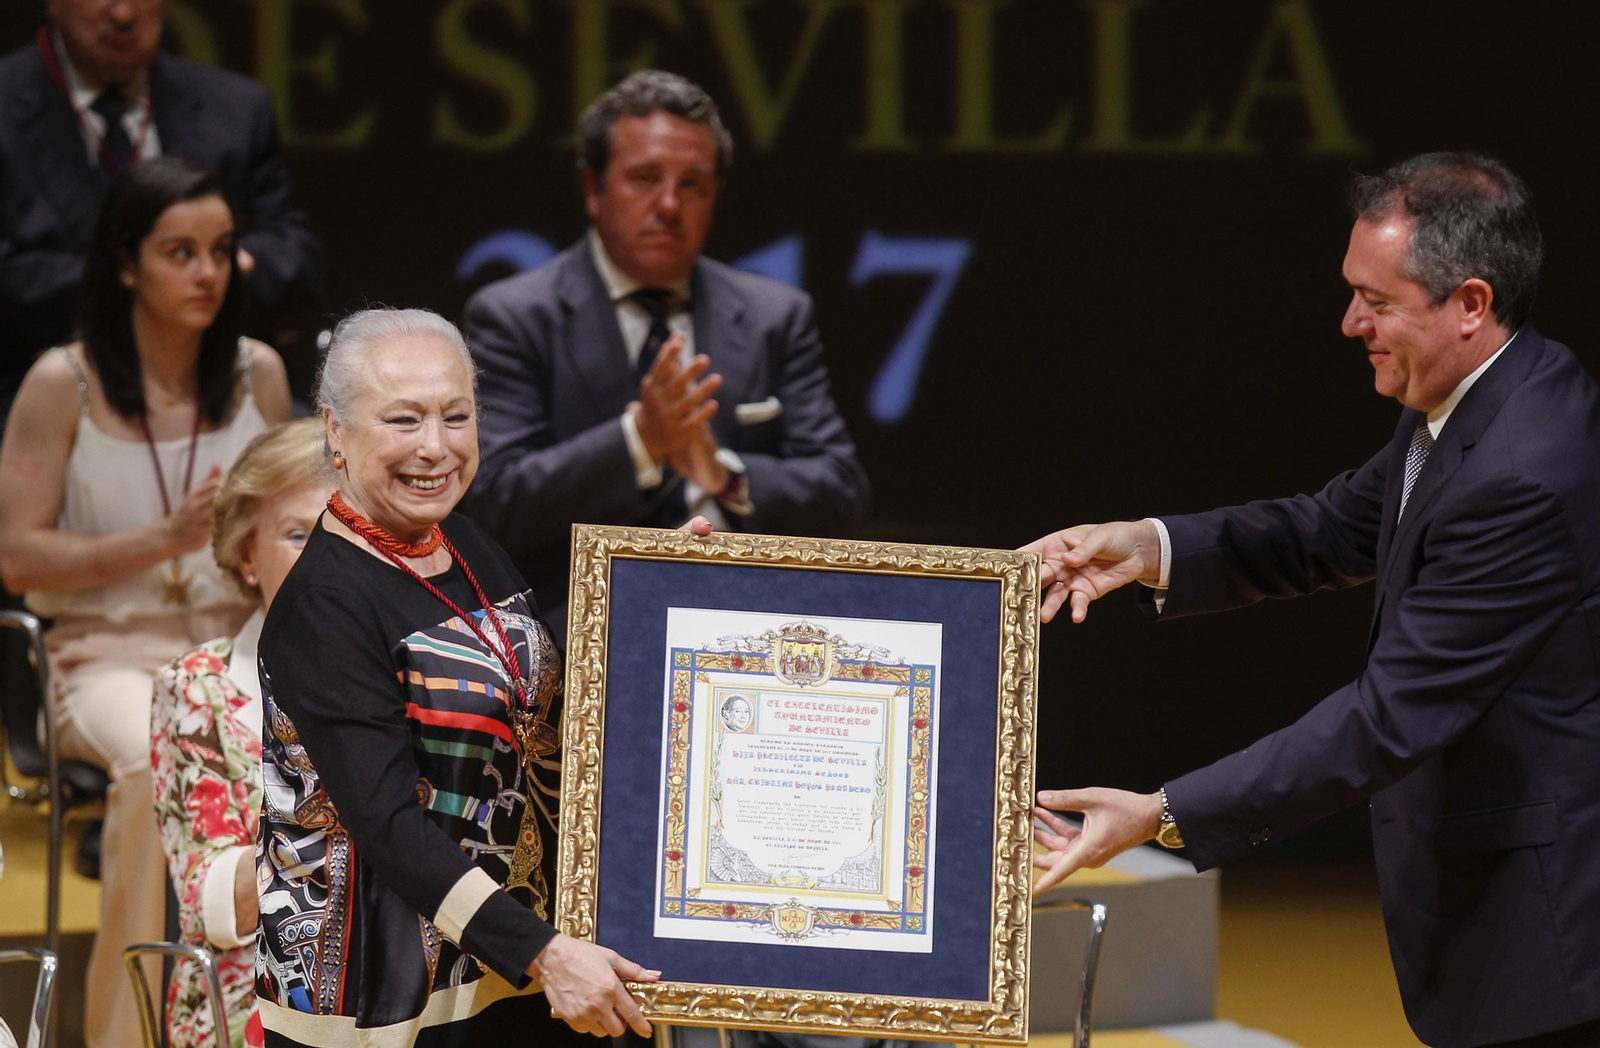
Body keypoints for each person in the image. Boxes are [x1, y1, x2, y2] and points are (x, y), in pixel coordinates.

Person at [1025, 153, 1600, 1048]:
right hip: (1498, 927)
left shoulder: (1524, 471)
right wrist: (1144, 548)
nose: (1349, 323)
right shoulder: (1470, 399)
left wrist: (1161, 814)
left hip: (1552, 946)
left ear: (1472, 305)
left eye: (1377, 301)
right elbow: (1327, 529)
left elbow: (1387, 719)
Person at [256, 307, 700, 1045]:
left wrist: (656, 601)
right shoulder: (324, 605)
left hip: (510, 960)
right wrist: (543, 953)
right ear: (336, 430)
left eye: (455, 417)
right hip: (393, 997)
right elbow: (390, 827)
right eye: (402, 420)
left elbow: (527, 692)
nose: (434, 448)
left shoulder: (459, 537)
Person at [0, 155, 292, 1047]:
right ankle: (128, 1034)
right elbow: (16, 557)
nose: (207, 272)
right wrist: (165, 537)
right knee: (150, 758)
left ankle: (269, 1021)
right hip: (103, 656)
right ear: (126, 263)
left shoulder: (259, 373)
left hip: (242, 649)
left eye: (220, 250)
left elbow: (299, 530)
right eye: (180, 252)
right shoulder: (65, 382)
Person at [460, 69, 869, 641]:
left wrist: (725, 476)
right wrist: (640, 441)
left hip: (749, 624)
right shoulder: (515, 316)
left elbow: (842, 493)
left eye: (693, 184)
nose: (670, 204)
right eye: (645, 178)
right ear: (593, 189)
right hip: (576, 627)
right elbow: (493, 503)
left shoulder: (776, 315)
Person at [0, 0, 327, 421]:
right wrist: (150, 278)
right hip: (30, 379)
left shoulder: (237, 108)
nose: (122, 14)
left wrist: (222, 262)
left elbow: (297, 256)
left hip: (208, 381)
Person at [151, 417, 331, 1048]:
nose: (325, 561)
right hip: (245, 993)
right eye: (296, 535)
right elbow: (211, 904)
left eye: (346, 535)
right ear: (246, 556)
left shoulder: (427, 673)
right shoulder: (197, 687)